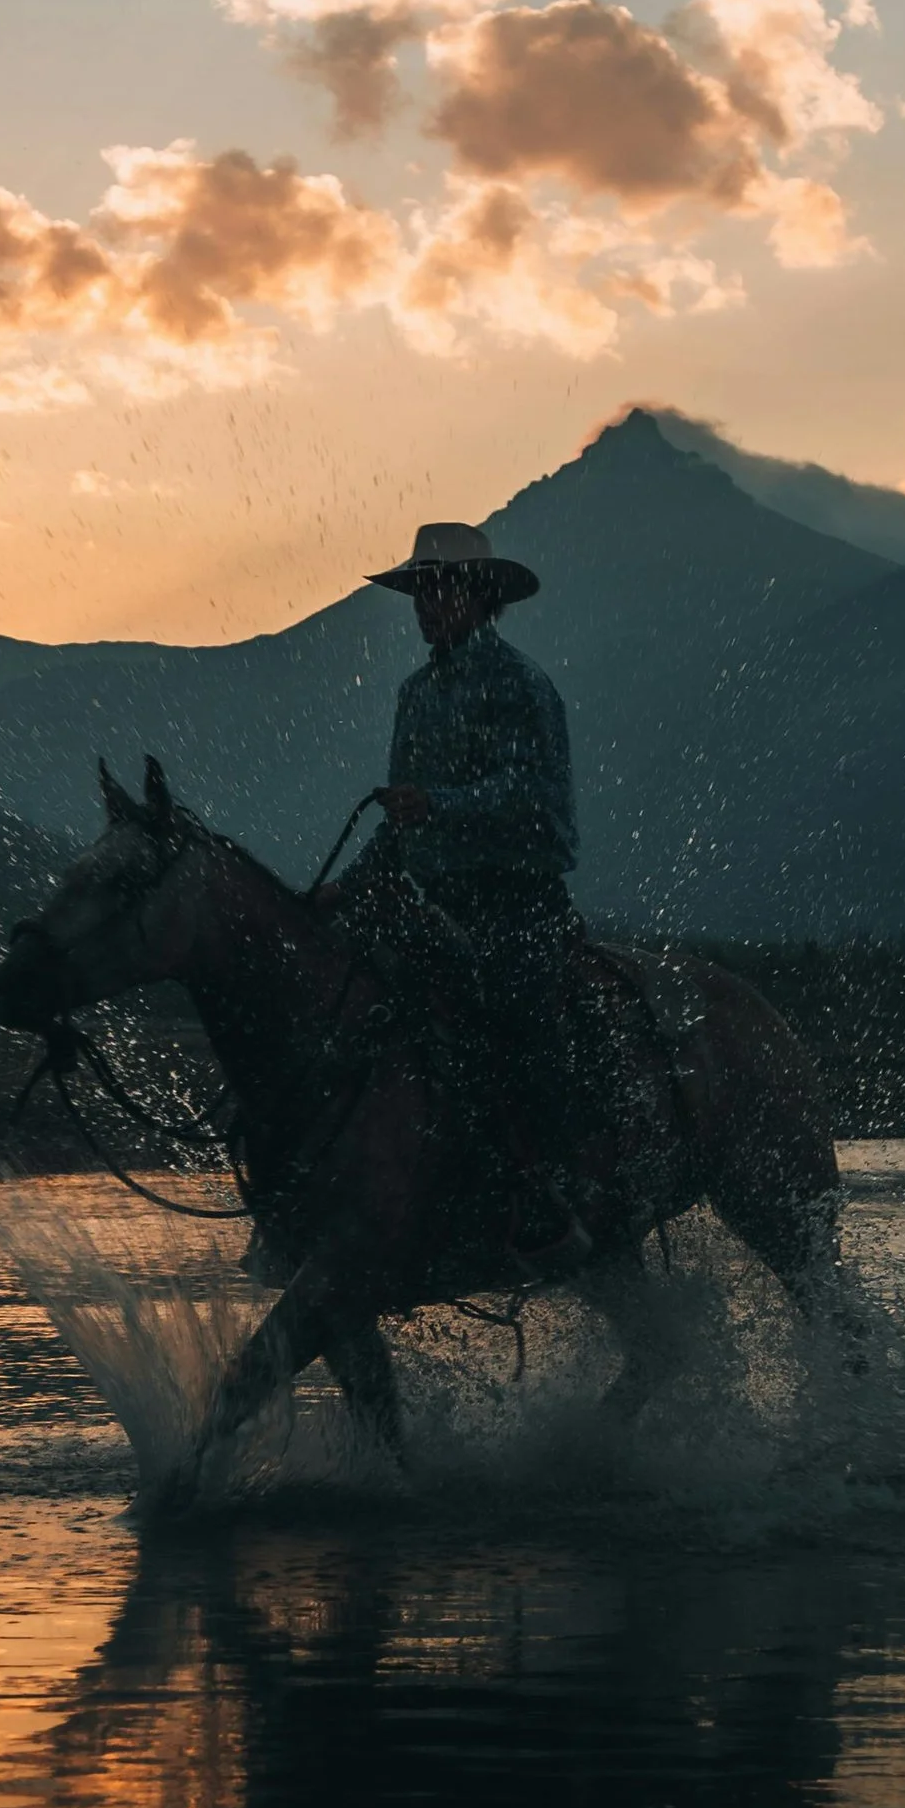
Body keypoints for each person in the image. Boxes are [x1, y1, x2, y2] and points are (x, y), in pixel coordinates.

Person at [342, 518, 590, 1269]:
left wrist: (440, 805)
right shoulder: (414, 693)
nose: (425, 604)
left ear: (481, 597)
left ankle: (548, 1187)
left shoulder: (522, 683)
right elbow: (404, 812)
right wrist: (348, 884)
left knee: (515, 1011)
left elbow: (534, 793)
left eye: (440, 587)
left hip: (516, 899)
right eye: (420, 590)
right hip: (434, 898)